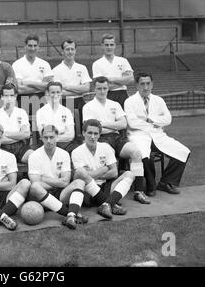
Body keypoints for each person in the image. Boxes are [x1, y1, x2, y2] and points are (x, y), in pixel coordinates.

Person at [82, 76, 150, 204]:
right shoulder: (88, 107)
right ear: (94, 89)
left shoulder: (115, 104)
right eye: (99, 89)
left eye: (105, 88)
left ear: (108, 89)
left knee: (136, 153)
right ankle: (112, 192)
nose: (102, 91)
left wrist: (102, 123)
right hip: (100, 139)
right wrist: (112, 124)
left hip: (117, 137)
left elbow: (123, 124)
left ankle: (138, 191)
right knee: (109, 157)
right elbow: (92, 128)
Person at [124, 72, 191, 196]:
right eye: (142, 84)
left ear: (152, 84)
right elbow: (132, 123)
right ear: (137, 86)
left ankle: (166, 182)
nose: (145, 87)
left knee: (183, 151)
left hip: (158, 135)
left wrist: (152, 119)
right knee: (144, 156)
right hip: (139, 135)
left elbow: (168, 119)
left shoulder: (158, 100)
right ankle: (151, 186)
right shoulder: (129, 101)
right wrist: (153, 123)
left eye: (148, 84)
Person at [71, 119, 135, 220]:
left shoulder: (105, 147)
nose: (92, 137)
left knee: (129, 174)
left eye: (96, 133)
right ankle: (110, 204)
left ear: (99, 135)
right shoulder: (76, 152)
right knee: (82, 174)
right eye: (89, 133)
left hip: (105, 187)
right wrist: (103, 169)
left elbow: (114, 173)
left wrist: (91, 174)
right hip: (88, 191)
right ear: (83, 133)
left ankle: (106, 205)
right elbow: (82, 175)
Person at [28, 125, 88, 229]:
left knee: (80, 182)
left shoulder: (64, 154)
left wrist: (43, 179)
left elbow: (65, 182)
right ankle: (71, 214)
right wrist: (57, 182)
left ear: (57, 137)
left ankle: (70, 216)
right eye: (45, 137)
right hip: (42, 195)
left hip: (60, 193)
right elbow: (35, 182)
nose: (48, 140)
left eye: (51, 137)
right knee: (34, 187)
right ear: (41, 138)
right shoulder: (34, 156)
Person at [0, 83, 34, 163]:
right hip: (2, 148)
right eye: (6, 96)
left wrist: (6, 134)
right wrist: (18, 135)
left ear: (15, 96)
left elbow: (26, 134)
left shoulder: (22, 112)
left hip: (20, 146)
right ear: (2, 97)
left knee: (33, 157)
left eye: (11, 95)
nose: (9, 99)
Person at [12, 34, 53, 114]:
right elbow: (19, 88)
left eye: (35, 46)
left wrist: (28, 82)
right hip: (23, 99)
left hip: (41, 99)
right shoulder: (17, 64)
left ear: (38, 47)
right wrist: (41, 86)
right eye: (30, 46)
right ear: (25, 47)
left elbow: (49, 86)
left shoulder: (45, 64)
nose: (32, 48)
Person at [53, 39, 91, 121]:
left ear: (75, 51)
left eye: (72, 49)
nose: (70, 52)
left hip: (80, 102)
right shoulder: (56, 70)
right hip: (64, 103)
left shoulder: (82, 68)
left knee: (82, 129)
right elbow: (58, 92)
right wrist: (79, 89)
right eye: (67, 49)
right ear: (62, 51)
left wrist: (66, 87)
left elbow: (86, 88)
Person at [92, 33, 135, 108]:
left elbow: (131, 80)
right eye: (106, 45)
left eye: (111, 45)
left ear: (115, 45)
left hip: (122, 95)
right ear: (102, 46)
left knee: (124, 118)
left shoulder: (123, 61)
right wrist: (123, 82)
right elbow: (100, 85)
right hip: (107, 95)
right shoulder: (97, 64)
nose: (109, 47)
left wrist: (110, 79)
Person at [36, 81, 79, 154]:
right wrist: (62, 132)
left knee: (78, 152)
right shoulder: (40, 112)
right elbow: (42, 134)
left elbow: (71, 135)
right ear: (47, 93)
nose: (55, 95)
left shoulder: (67, 111)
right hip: (48, 144)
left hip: (66, 144)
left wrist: (53, 136)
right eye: (53, 92)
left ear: (61, 93)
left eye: (58, 92)